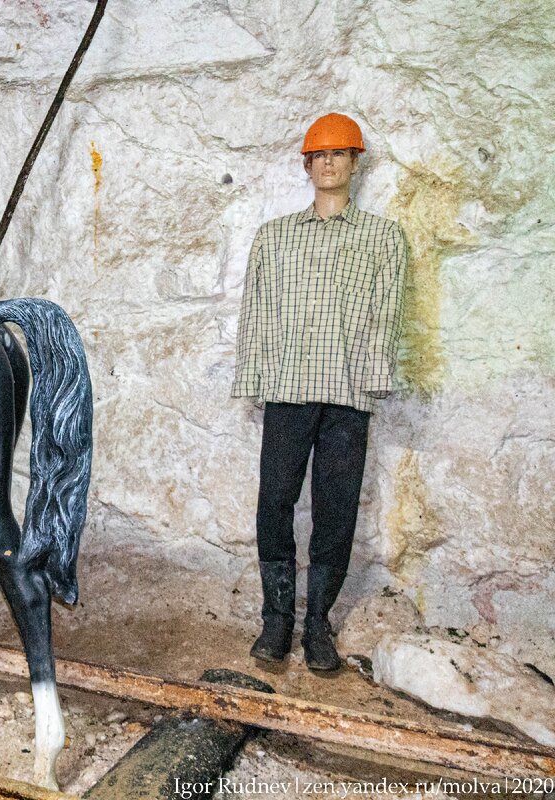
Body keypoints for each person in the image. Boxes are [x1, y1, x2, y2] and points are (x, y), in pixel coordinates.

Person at [232, 113, 407, 670]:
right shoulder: (275, 237)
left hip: (348, 396)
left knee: (336, 510)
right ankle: (276, 618)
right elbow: (257, 313)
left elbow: (386, 315)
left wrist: (375, 378)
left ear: (355, 162)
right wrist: (254, 379)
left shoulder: (382, 237)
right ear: (308, 165)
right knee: (275, 501)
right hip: (289, 389)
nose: (329, 163)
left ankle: (318, 625)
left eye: (339, 154)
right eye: (320, 155)